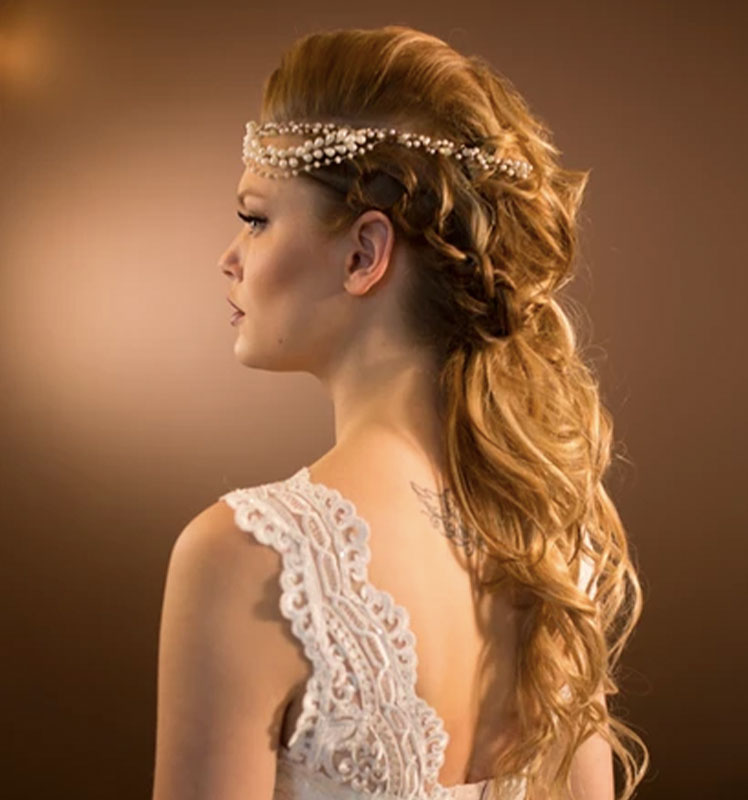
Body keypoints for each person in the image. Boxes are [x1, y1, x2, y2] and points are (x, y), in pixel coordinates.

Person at [152, 24, 649, 800]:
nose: (230, 256)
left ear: (364, 254)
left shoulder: (246, 560)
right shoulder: (552, 544)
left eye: (255, 218)